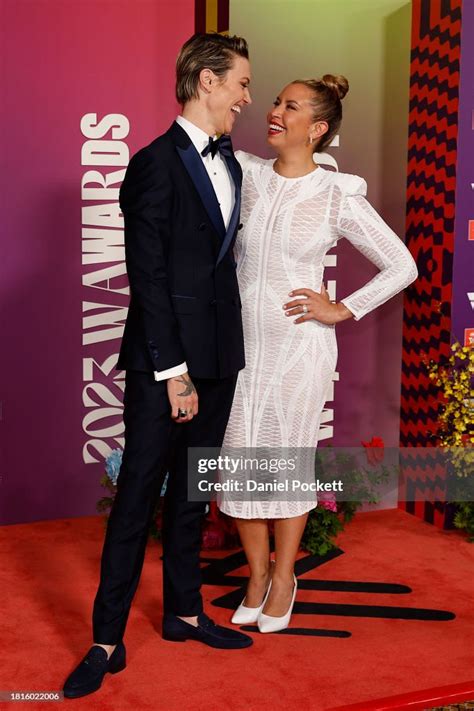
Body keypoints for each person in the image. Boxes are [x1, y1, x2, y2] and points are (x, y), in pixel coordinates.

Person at [63, 32, 253, 699]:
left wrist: (219, 361)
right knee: (139, 496)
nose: (246, 97)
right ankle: (105, 639)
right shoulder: (152, 162)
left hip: (221, 357)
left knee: (195, 492)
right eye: (240, 84)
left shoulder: (231, 164)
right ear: (207, 80)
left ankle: (183, 611)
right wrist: (171, 370)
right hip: (161, 362)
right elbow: (148, 274)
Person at [217, 75, 418, 633]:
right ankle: (257, 576)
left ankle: (285, 577)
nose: (275, 112)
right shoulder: (248, 175)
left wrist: (343, 308)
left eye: (291, 107)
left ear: (319, 128)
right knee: (238, 468)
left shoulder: (336, 195)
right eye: (277, 102)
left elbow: (402, 265)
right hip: (241, 349)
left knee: (284, 467)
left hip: (298, 352)